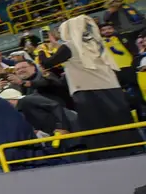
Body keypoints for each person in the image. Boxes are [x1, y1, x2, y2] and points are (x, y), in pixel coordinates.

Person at [46, 16, 140, 160]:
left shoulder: (70, 46)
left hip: (87, 91)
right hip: (112, 88)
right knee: (121, 124)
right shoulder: (97, 43)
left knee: (97, 130)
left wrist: (45, 49)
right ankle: (134, 152)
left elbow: (47, 63)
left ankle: (105, 157)